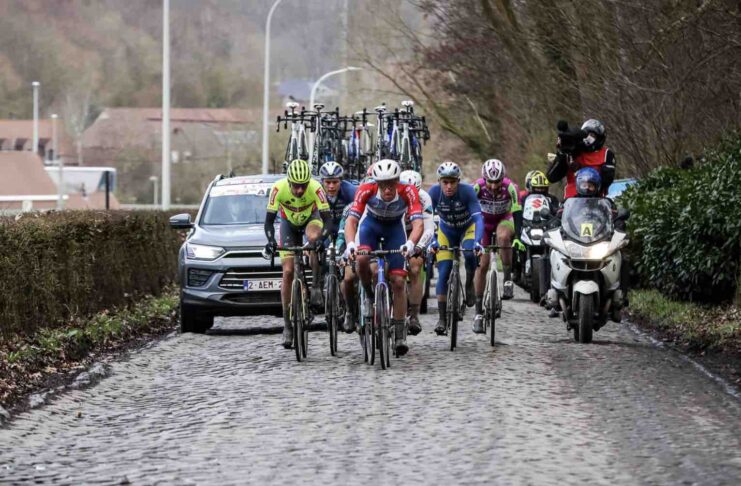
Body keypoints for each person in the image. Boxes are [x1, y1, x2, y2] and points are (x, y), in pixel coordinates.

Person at [344, 159, 424, 356]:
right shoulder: (366, 189)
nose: (388, 189)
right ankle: (367, 292)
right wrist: (351, 244)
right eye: (383, 185)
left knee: (398, 281)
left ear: (398, 182)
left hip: (395, 230)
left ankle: (399, 335)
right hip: (370, 227)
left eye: (392, 184)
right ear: (376, 183)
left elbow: (418, 224)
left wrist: (411, 244)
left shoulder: (408, 191)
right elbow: (352, 221)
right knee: (362, 259)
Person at [264, 159, 333, 349]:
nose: (300, 191)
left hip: (311, 219)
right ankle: (287, 325)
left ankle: (317, 286)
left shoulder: (316, 187)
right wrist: (270, 241)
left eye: (303, 186)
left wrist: (320, 240)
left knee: (312, 239)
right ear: (289, 182)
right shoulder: (278, 189)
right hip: (288, 224)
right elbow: (269, 222)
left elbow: (328, 221)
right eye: (296, 186)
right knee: (287, 273)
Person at [428, 161, 484, 336]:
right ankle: (442, 319)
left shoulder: (467, 192)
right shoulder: (434, 193)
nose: (449, 186)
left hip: (467, 229)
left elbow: (478, 219)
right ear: (439, 182)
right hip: (446, 230)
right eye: (445, 182)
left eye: (453, 182)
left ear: (458, 181)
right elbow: (429, 220)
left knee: (469, 253)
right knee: (443, 272)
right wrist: (433, 241)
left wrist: (477, 241)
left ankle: (469, 283)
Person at [470, 159, 523, 332]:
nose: (493, 186)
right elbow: (468, 209)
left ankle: (507, 278)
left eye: (497, 181)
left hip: (504, 219)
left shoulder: (511, 187)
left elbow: (516, 212)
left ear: (503, 178)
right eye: (490, 182)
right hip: (483, 224)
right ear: (484, 178)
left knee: (503, 236)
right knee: (482, 265)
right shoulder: (476, 187)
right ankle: (478, 313)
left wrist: (519, 237)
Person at [399, 170, 435, 336]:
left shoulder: (424, 198)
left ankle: (414, 315)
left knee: (415, 267)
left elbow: (429, 228)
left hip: (417, 231)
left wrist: (418, 247)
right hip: (398, 231)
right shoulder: (395, 195)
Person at [546, 119, 616, 199]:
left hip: (596, 200)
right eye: (586, 135)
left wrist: (583, 174)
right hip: (572, 201)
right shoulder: (572, 151)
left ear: (600, 139)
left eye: (592, 136)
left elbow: (607, 180)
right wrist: (562, 154)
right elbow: (551, 177)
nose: (588, 138)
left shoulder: (606, 154)